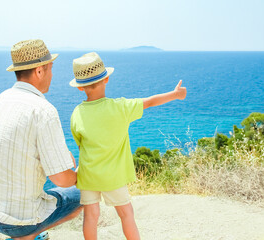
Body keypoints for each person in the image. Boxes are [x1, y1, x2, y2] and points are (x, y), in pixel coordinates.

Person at [0, 39, 83, 240]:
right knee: (83, 193)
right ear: (39, 71)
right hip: (18, 221)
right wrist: (79, 173)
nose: (52, 75)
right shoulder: (43, 110)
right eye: (50, 68)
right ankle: (27, 235)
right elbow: (62, 180)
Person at [69, 52, 187, 240]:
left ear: (80, 88)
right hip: (113, 177)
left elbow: (81, 144)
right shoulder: (120, 107)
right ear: (106, 78)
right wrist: (176, 94)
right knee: (126, 215)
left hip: (88, 176)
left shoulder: (77, 113)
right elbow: (149, 102)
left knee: (91, 216)